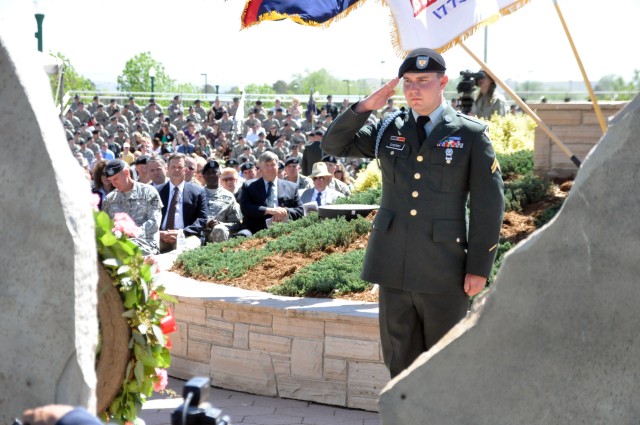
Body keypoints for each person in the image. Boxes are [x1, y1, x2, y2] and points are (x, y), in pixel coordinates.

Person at [322, 47, 505, 378]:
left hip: (445, 269)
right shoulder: (389, 128)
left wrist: (479, 267)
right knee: (400, 364)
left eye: (423, 80)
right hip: (393, 266)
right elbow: (333, 145)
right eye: (407, 82)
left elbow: (488, 205)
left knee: (445, 366)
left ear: (443, 82)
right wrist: (364, 107)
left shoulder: (469, 134)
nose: (414, 89)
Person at [102, 159, 163, 255]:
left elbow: (154, 221)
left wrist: (134, 232)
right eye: (110, 180)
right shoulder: (109, 200)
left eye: (116, 179)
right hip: (118, 244)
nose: (113, 184)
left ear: (126, 173)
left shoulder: (149, 192)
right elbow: (105, 228)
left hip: (146, 243)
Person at [239, 151, 304, 234]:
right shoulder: (249, 186)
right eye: (267, 165)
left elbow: (300, 210)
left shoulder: (291, 187)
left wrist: (285, 211)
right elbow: (246, 208)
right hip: (256, 230)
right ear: (260, 168)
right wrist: (269, 210)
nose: (270, 168)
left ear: (278, 166)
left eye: (273, 165)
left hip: (286, 229)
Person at [157, 153, 208, 252]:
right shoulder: (157, 191)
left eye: (180, 167)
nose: (176, 170)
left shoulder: (197, 191)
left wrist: (181, 233)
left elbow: (202, 219)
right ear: (167, 169)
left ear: (185, 169)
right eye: (173, 167)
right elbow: (150, 217)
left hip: (188, 236)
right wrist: (160, 233)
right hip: (161, 235)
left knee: (183, 251)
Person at [200, 160, 247, 243]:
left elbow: (236, 223)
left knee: (219, 229)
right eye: (208, 173)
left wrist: (219, 224)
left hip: (219, 235)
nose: (212, 175)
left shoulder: (228, 196)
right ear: (203, 176)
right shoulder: (197, 194)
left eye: (214, 172)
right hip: (199, 233)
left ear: (219, 175)